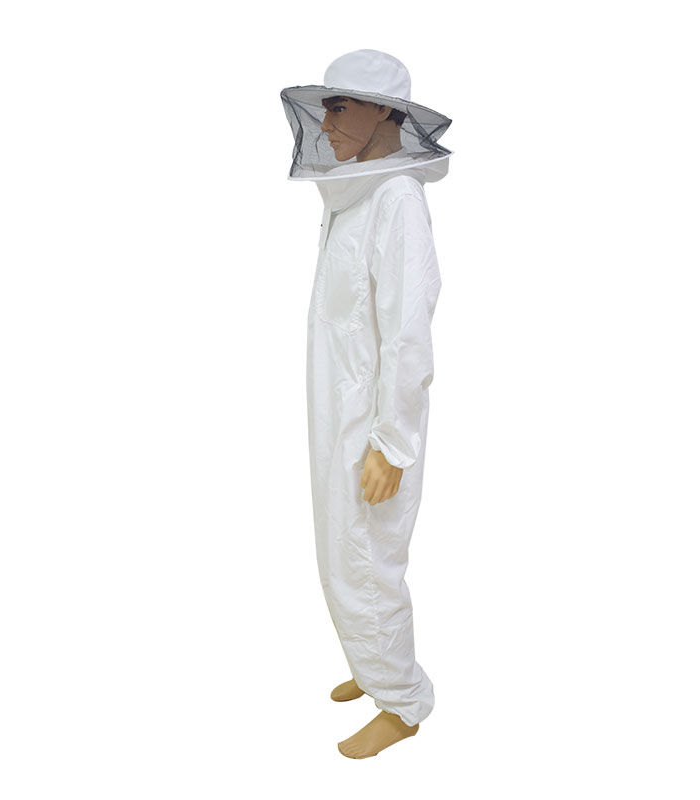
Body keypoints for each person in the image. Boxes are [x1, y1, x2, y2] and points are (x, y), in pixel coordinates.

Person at [280, 49, 453, 759]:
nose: (326, 123)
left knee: (366, 557)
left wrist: (393, 442)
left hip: (372, 423)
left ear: (384, 110)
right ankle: (372, 660)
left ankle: (402, 702)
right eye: (324, 108)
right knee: (343, 549)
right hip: (338, 410)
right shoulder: (354, 196)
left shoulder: (396, 199)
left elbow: (408, 331)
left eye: (340, 106)